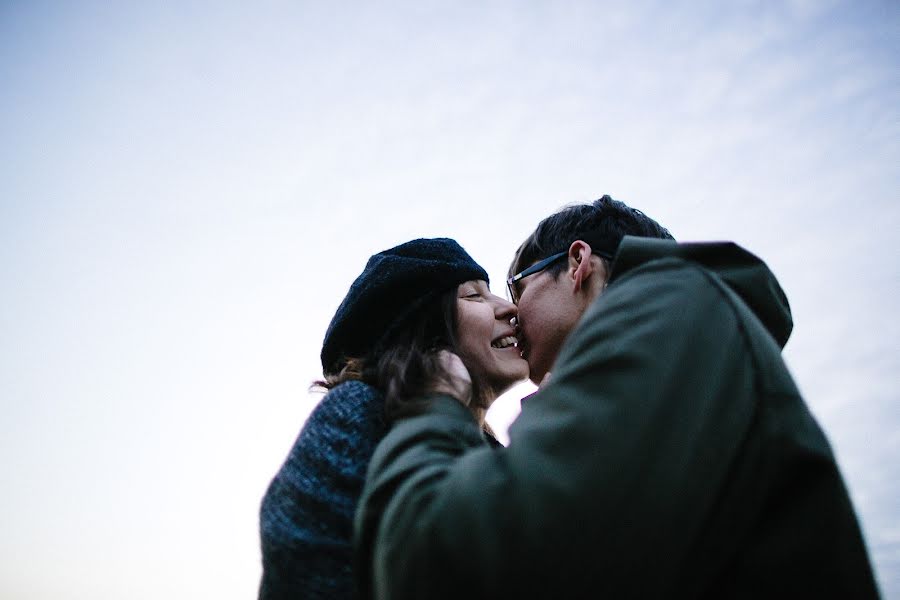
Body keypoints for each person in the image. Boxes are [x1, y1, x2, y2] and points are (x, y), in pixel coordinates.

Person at [354, 196, 880, 599]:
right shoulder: (686, 339)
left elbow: (439, 565)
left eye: (517, 290)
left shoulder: (669, 310)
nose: (511, 313)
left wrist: (436, 403)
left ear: (578, 262)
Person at [258, 238, 528, 600]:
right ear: (425, 329)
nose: (508, 308)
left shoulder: (496, 451)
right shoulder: (359, 409)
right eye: (474, 296)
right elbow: (304, 555)